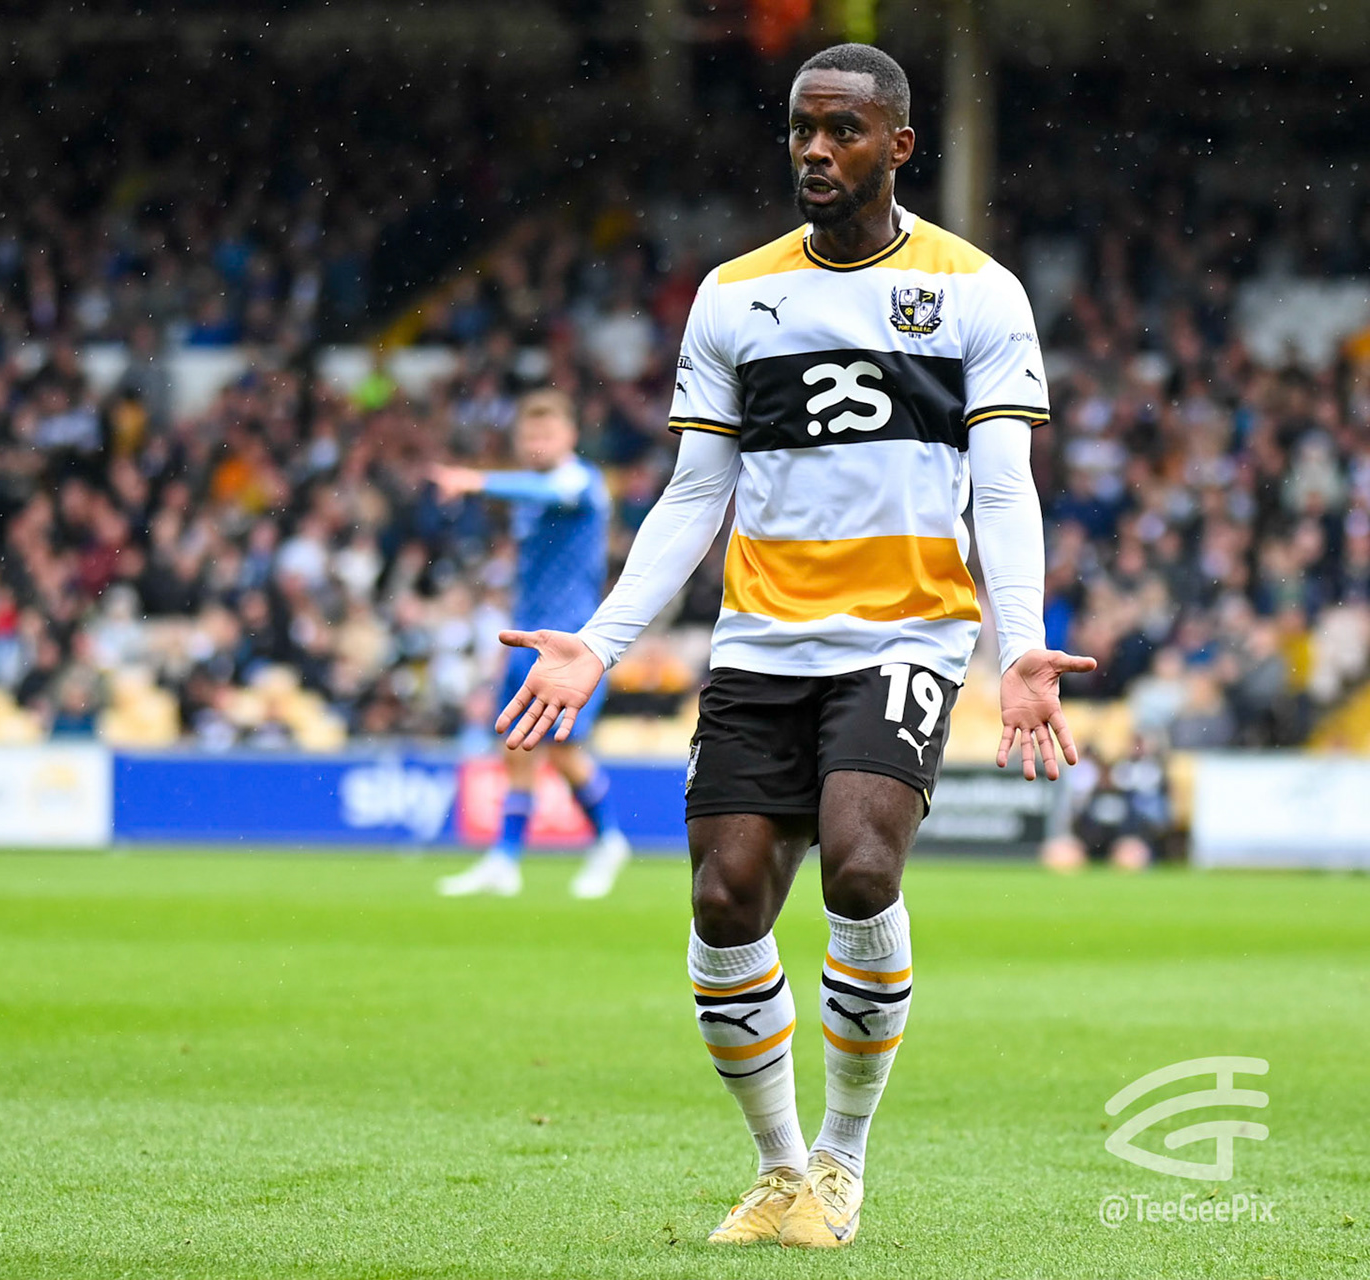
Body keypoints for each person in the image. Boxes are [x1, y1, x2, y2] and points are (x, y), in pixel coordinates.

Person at [493, 44, 1095, 1248]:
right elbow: (693, 492)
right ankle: (779, 1169)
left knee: (861, 865)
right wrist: (602, 643)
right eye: (801, 129)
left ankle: (842, 1156)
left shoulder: (977, 291)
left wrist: (1019, 643)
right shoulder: (734, 296)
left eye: (843, 130)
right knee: (724, 898)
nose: (816, 150)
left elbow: (1004, 486)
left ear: (899, 145)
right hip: (763, 638)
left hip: (906, 630)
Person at [430, 390, 633, 899]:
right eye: (529, 435)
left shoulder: (581, 482)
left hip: (572, 641)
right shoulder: (531, 493)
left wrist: (476, 481)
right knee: (517, 747)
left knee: (559, 749)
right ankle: (506, 859)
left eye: (548, 433)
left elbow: (553, 490)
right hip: (528, 637)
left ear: (570, 436)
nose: (537, 442)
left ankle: (607, 840)